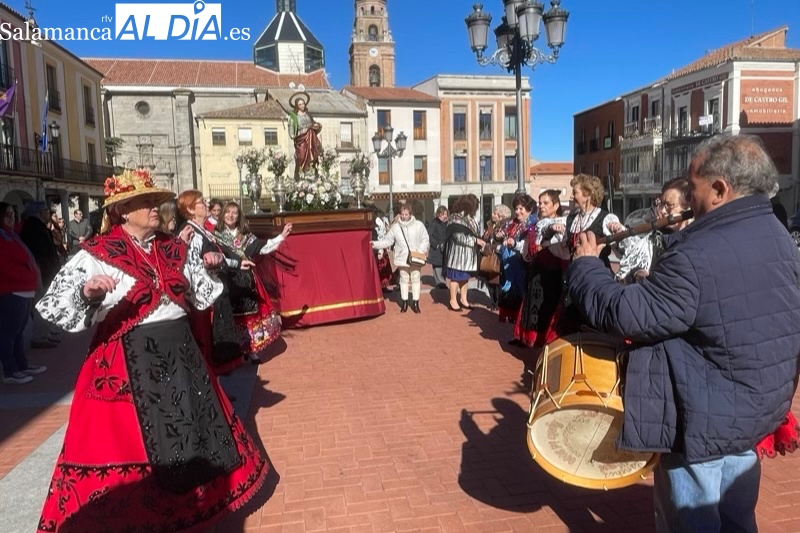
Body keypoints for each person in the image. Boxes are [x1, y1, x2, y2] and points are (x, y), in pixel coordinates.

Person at [565, 134, 800, 533]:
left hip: (703, 419)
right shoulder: (778, 236)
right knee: (738, 519)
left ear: (721, 189)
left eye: (694, 189)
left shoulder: (697, 255)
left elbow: (627, 314)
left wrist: (587, 265)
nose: (689, 200)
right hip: (752, 414)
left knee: (691, 523)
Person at [33, 169, 269, 533]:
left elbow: (200, 295)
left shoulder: (172, 247)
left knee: (192, 433)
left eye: (155, 201)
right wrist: (87, 293)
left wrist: (211, 267)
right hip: (130, 359)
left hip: (181, 354)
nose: (155, 208)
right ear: (123, 211)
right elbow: (54, 305)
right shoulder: (98, 253)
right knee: (137, 446)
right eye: (145, 202)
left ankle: (195, 505)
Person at [178, 189, 256, 376]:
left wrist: (237, 263)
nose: (206, 205)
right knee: (207, 341)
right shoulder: (190, 232)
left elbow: (216, 257)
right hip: (205, 297)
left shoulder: (202, 229)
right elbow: (192, 264)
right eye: (201, 203)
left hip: (215, 291)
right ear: (190, 209)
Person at [215, 201, 291, 363]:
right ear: (223, 215)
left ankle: (252, 350)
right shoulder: (216, 236)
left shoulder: (246, 236)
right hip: (229, 281)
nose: (230, 215)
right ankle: (238, 350)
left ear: (239, 216)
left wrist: (281, 236)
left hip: (247, 281)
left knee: (250, 316)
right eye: (228, 212)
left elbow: (262, 248)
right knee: (234, 317)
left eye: (234, 213)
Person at [0, 202, 47, 385]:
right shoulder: (2, 237)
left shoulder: (11, 234)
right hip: (12, 290)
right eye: (7, 213)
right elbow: (5, 265)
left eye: (13, 213)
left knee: (18, 332)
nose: (11, 216)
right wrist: (27, 275)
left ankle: (22, 365)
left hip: (25, 290)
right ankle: (10, 371)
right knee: (8, 334)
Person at [371, 203, 430, 313]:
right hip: (402, 257)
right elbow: (388, 241)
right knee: (404, 279)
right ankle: (405, 301)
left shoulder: (419, 225)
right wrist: (375, 244)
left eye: (406, 214)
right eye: (402, 214)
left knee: (416, 277)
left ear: (410, 214)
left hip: (416, 256)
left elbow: (425, 239)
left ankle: (416, 302)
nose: (404, 216)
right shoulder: (396, 227)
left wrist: (420, 251)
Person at [496, 195, 537, 323]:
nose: (517, 211)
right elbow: (500, 234)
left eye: (521, 208)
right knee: (513, 295)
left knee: (523, 295)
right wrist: (500, 236)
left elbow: (530, 245)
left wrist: (513, 244)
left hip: (525, 265)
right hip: (511, 264)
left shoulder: (534, 223)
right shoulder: (512, 223)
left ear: (529, 209)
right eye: (516, 209)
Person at [443, 194, 486, 311]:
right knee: (456, 278)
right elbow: (457, 237)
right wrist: (475, 240)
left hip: (468, 255)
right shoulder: (455, 218)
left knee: (465, 278)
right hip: (457, 255)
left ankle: (463, 299)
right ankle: (453, 300)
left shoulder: (469, 219)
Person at [288, 91, 322, 178]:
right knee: (301, 157)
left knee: (314, 155)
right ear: (297, 106)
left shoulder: (308, 115)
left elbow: (313, 124)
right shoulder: (294, 117)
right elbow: (292, 132)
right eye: (300, 104)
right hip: (301, 139)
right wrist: (298, 134)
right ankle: (300, 174)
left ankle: (313, 174)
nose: (302, 106)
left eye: (303, 104)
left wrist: (317, 126)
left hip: (311, 138)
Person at [427, 206, 448, 289]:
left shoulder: (447, 223)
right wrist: (436, 244)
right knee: (437, 266)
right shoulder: (434, 223)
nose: (445, 216)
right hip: (437, 249)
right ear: (439, 214)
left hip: (445, 247)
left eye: (446, 214)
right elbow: (430, 235)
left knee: (444, 264)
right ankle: (440, 282)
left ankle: (443, 281)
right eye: (444, 214)